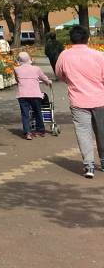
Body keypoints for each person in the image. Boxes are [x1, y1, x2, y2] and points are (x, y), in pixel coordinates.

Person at [53, 25, 104, 178]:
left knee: (83, 133)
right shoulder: (98, 55)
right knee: (102, 132)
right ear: (87, 38)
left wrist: (73, 81)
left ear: (71, 39)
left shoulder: (64, 55)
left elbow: (59, 74)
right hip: (100, 99)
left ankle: (89, 166)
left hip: (78, 100)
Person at [14, 51, 51, 139]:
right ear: (29, 59)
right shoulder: (36, 69)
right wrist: (48, 82)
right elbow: (43, 77)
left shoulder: (16, 69)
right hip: (35, 94)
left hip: (22, 95)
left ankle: (27, 133)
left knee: (25, 114)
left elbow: (17, 80)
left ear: (19, 60)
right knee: (38, 111)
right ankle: (40, 130)